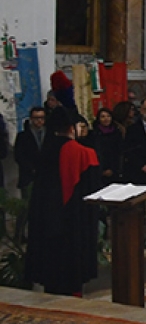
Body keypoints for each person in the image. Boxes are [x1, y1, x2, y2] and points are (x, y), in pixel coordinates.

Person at [23, 108, 103, 296]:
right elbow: (91, 189)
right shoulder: (83, 153)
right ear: (71, 128)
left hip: (47, 221)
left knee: (52, 272)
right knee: (71, 267)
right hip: (73, 220)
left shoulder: (46, 150)